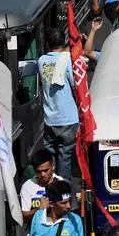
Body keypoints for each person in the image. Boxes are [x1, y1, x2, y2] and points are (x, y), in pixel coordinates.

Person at [38, 28, 79, 179]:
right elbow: (76, 86)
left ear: (47, 43)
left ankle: (51, 186)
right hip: (68, 119)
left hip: (50, 119)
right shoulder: (68, 60)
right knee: (65, 157)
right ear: (64, 41)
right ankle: (63, 191)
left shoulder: (41, 61)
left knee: (50, 159)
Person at [20, 180, 84, 236]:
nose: (69, 206)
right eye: (63, 203)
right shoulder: (38, 217)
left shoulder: (75, 221)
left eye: (70, 201)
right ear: (51, 203)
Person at [19, 150, 57, 224]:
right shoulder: (27, 186)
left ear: (53, 166)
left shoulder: (61, 183)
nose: (42, 174)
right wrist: (38, 209)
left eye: (46, 170)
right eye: (38, 171)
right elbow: (25, 216)